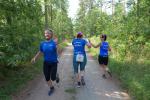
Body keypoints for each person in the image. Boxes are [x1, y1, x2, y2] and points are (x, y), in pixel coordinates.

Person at [31, 29, 58, 96]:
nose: (46, 34)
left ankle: (56, 76)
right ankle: (52, 88)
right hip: (46, 63)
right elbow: (40, 51)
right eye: (45, 33)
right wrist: (35, 58)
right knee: (47, 78)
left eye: (48, 33)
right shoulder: (42, 43)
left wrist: (56, 45)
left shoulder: (53, 43)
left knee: (53, 78)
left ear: (51, 35)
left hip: (54, 62)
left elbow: (57, 51)